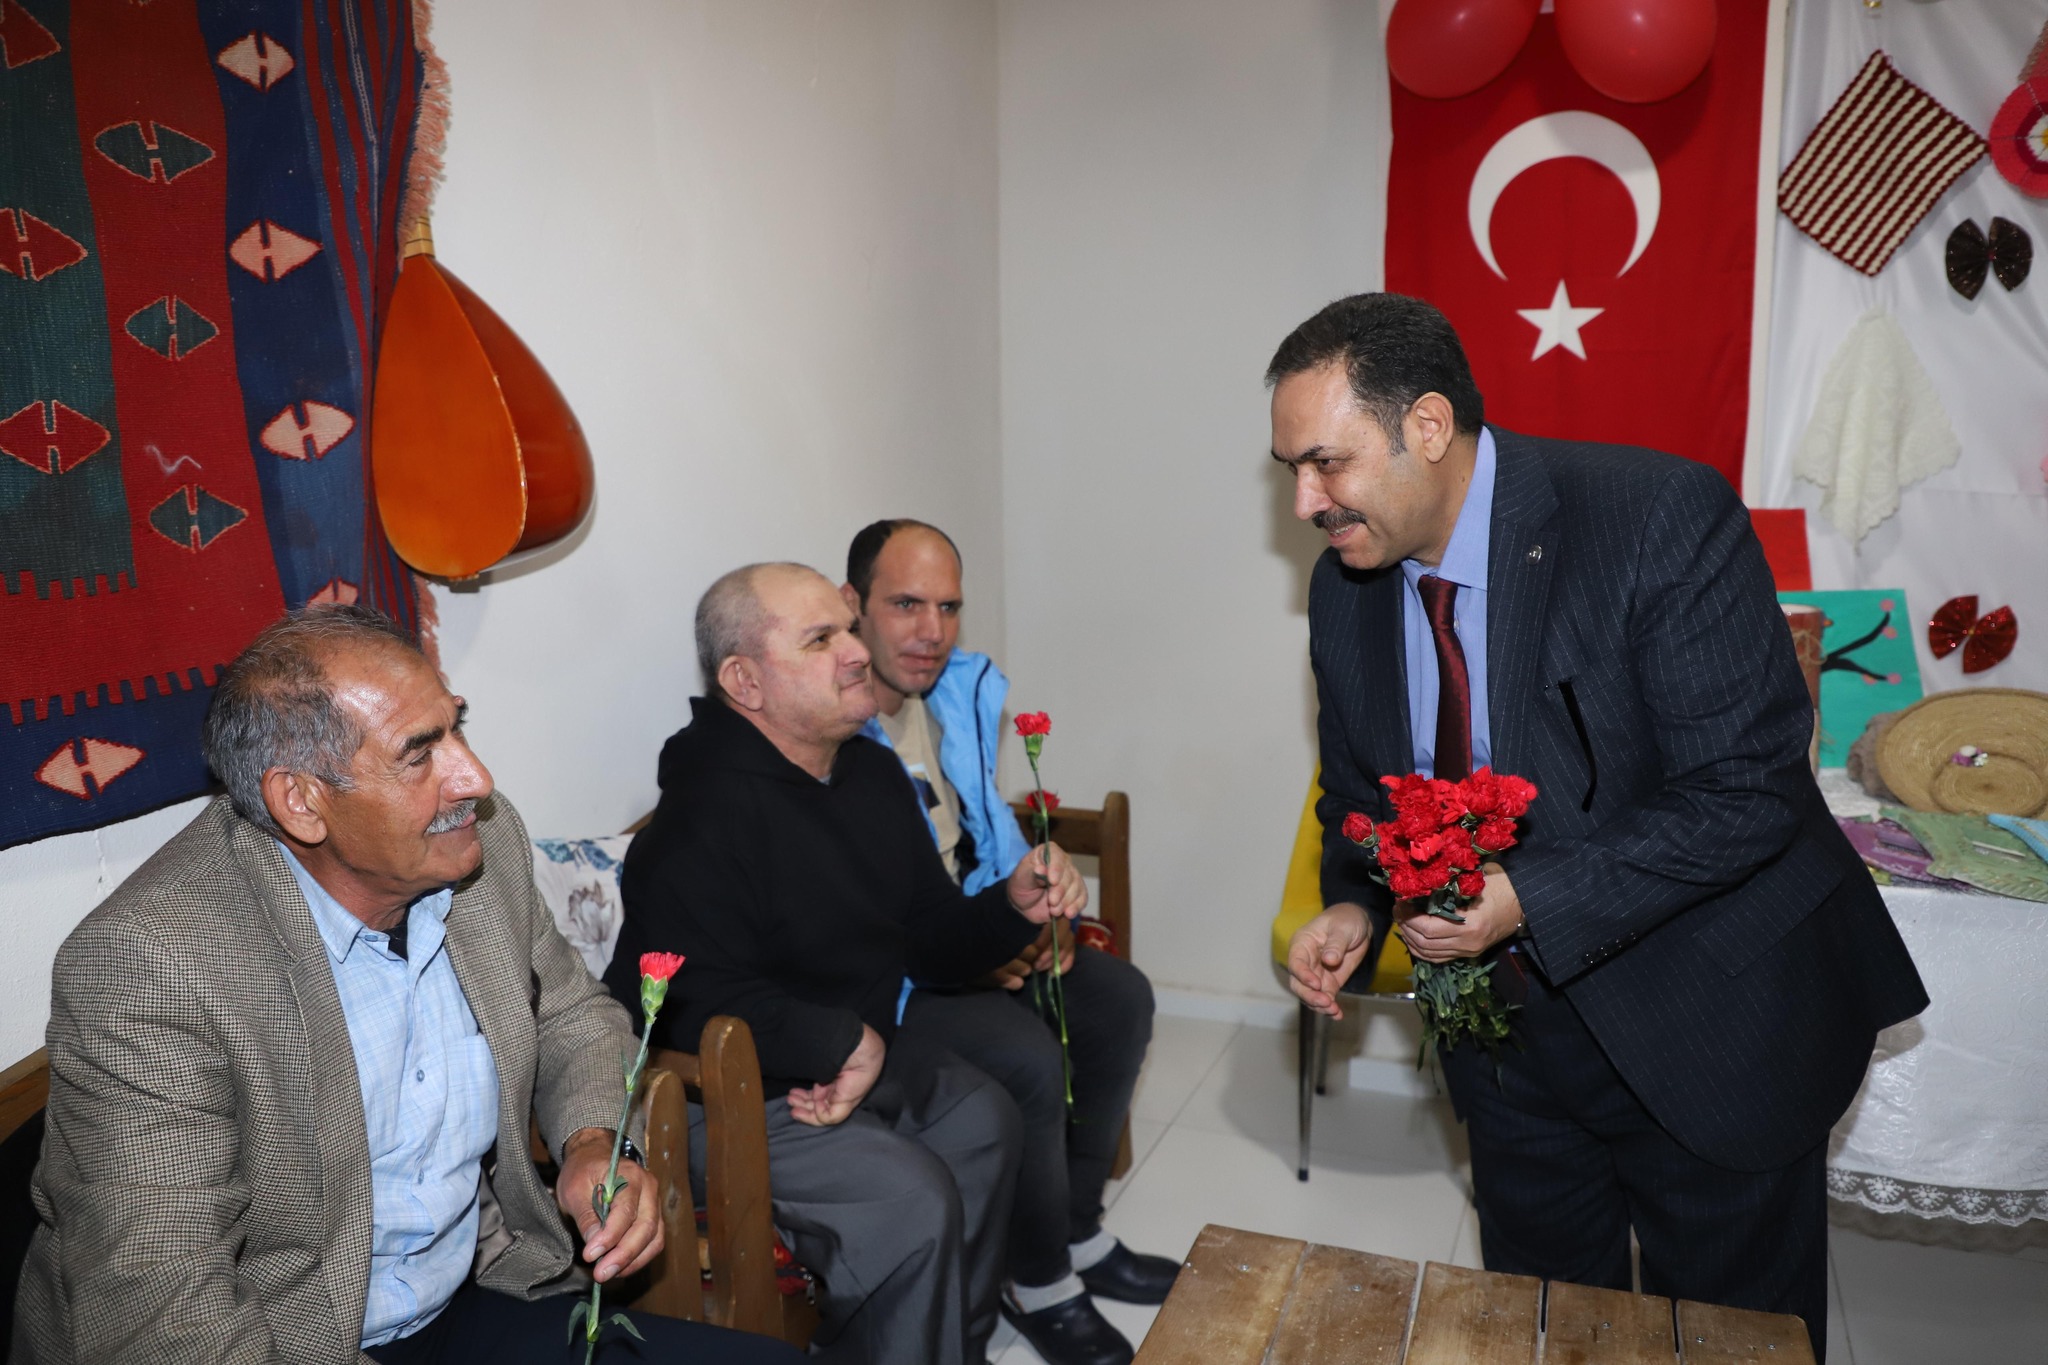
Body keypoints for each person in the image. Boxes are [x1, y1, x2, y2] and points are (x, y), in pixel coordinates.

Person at [1271, 294, 1926, 1360]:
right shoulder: (1346, 590)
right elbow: (1359, 792)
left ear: (1426, 427)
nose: (1304, 500)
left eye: (1324, 463)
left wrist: (1526, 899)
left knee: (1724, 1341)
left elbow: (1746, 792)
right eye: (1290, 470)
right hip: (1505, 1052)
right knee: (1544, 1332)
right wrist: (1355, 902)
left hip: (1706, 1021)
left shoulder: (1654, 516)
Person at [13, 605, 797, 1365]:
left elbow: (571, 1014)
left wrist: (594, 1142)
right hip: (283, 1341)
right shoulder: (151, 966)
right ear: (301, 801)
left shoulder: (478, 843)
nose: (476, 777)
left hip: (470, 1295)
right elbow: (160, 1311)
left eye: (458, 726)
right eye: (420, 754)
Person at [604, 562, 1089, 1365]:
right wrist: (841, 1040)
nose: (858, 651)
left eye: (849, 629)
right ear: (745, 681)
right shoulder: (704, 807)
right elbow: (688, 992)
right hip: (719, 1091)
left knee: (984, 1118)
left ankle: (950, 1348)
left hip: (839, 1059)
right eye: (821, 638)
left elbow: (928, 935)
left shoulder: (869, 772)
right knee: (909, 1199)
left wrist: (1011, 904)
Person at [841, 520, 1175, 1365]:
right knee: (1024, 1053)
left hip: (977, 932)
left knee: (1118, 998)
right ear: (854, 606)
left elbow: (988, 834)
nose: (932, 630)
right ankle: (1038, 1278)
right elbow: (871, 912)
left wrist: (1039, 913)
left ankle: (1076, 1230)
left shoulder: (954, 697)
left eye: (949, 607)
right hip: (908, 977)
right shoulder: (838, 726)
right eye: (906, 604)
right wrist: (986, 946)